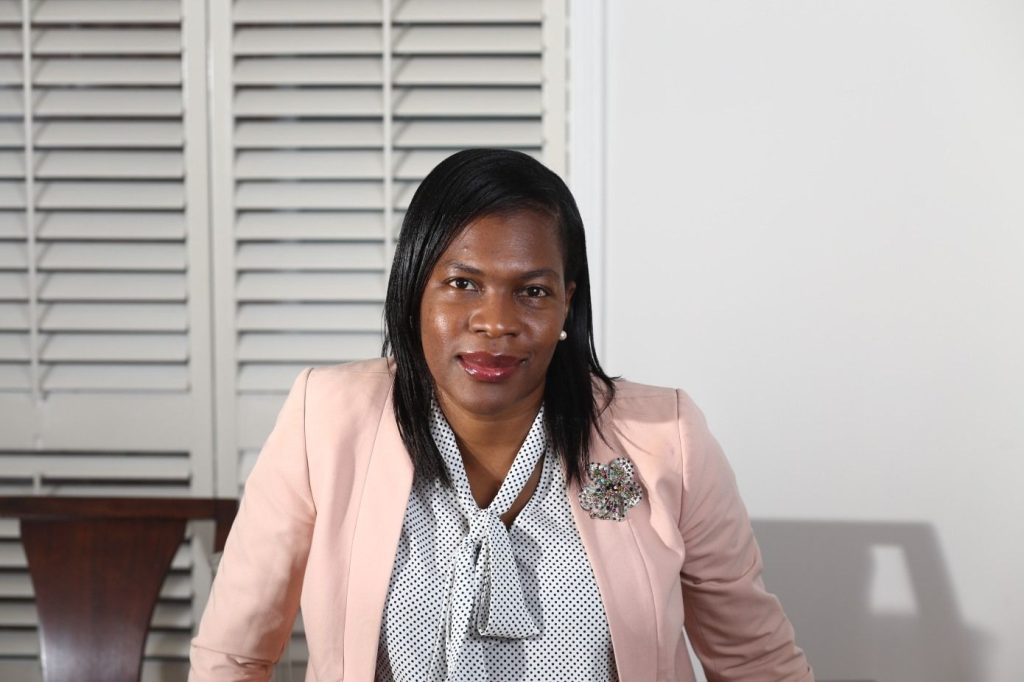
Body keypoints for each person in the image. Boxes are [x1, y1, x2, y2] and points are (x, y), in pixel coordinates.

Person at [189, 149, 814, 682]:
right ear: (415, 288)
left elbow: (755, 662)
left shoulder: (664, 437)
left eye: (532, 291)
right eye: (463, 283)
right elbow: (231, 657)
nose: (496, 323)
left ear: (567, 303)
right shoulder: (325, 420)